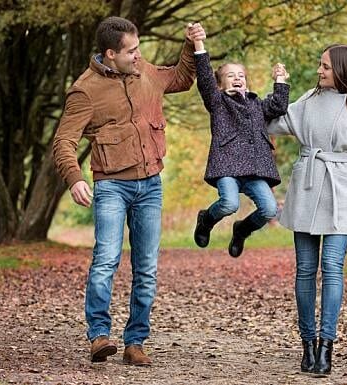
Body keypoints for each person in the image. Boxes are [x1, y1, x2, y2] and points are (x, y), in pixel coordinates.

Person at [52, 17, 205, 366]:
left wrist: (189, 44)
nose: (138, 55)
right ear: (110, 53)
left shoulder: (143, 71)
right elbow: (64, 140)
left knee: (147, 267)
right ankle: (99, 336)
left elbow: (180, 79)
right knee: (106, 260)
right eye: (131, 50)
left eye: (138, 49)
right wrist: (75, 177)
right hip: (111, 186)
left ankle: (135, 342)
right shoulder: (85, 90)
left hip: (151, 184)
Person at [267, 44, 347, 376]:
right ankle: (306, 343)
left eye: (325, 67)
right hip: (307, 186)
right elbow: (273, 121)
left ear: (341, 71)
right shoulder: (308, 100)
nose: (319, 71)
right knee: (305, 270)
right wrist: (269, 91)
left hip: (342, 191)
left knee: (332, 268)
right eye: (320, 66)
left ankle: (326, 347)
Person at [191, 33, 290, 257]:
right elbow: (205, 78)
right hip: (227, 165)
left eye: (241, 75)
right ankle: (206, 219)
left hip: (255, 168)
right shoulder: (217, 101)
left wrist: (280, 79)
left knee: (270, 209)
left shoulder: (256, 104)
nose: (237, 79)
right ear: (219, 83)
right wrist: (199, 43)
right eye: (230, 76)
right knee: (229, 204)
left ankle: (242, 230)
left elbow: (278, 106)